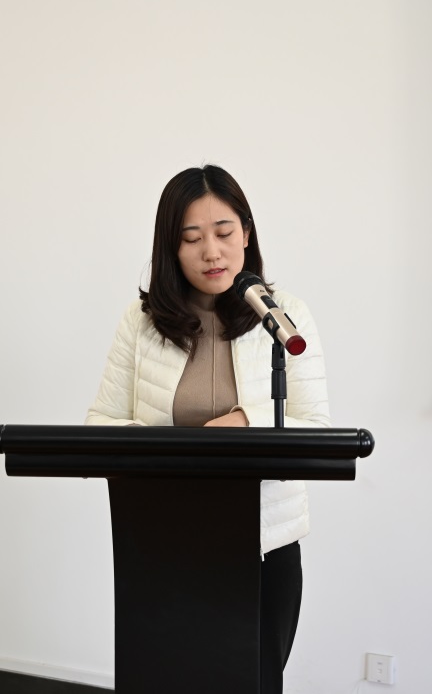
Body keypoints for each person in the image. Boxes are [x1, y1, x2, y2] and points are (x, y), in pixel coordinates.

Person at [86, 164, 330, 693]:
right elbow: (100, 423)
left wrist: (243, 421)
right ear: (171, 249)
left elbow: (314, 426)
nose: (211, 252)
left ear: (247, 234)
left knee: (255, 683)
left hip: (263, 547)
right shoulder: (141, 322)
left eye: (223, 233)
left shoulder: (285, 318)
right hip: (163, 545)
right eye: (192, 238)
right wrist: (167, 448)